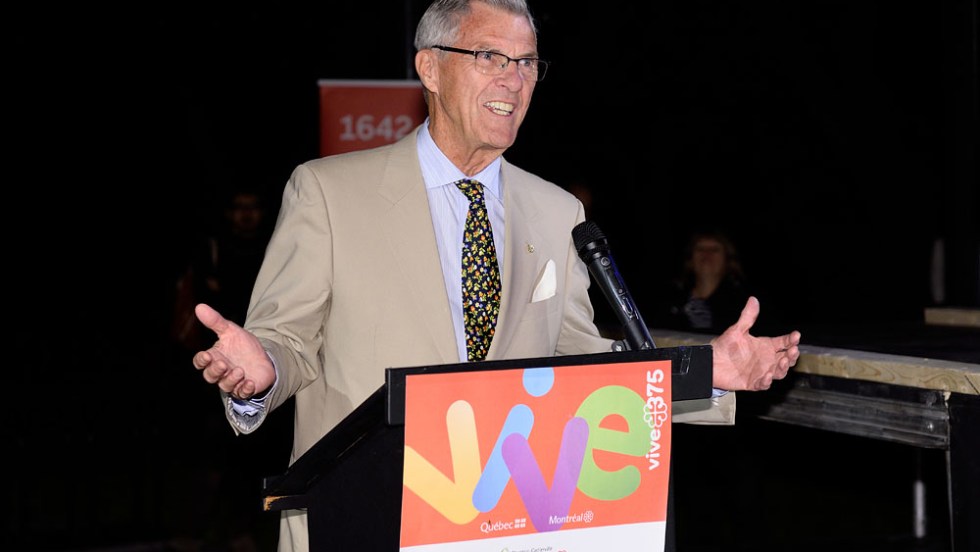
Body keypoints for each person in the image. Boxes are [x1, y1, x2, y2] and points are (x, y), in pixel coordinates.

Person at [190, 1, 802, 551]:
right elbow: (287, 342)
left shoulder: (558, 212)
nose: (514, 78)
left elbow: (581, 366)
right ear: (430, 68)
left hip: (506, 524)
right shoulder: (328, 192)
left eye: (528, 62)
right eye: (490, 56)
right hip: (362, 516)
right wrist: (262, 373)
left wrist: (705, 373)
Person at [655, 229, 753, 334]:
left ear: (728, 260)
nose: (706, 254)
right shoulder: (669, 298)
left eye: (714, 250)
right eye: (700, 249)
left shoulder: (743, 303)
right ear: (690, 259)